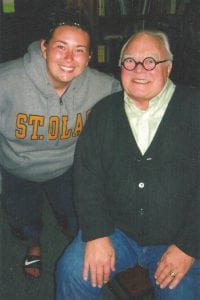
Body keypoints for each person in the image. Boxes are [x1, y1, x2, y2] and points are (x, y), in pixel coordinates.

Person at [56, 30, 200, 299]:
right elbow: (87, 178)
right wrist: (96, 234)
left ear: (168, 68)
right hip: (116, 230)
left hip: (179, 235)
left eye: (150, 61)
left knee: (183, 294)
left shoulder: (195, 107)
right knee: (72, 272)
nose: (139, 69)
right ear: (121, 68)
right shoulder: (103, 112)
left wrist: (189, 246)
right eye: (130, 61)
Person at [0, 7, 121, 279]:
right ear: (44, 48)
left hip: (67, 167)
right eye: (60, 47)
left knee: (73, 216)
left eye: (79, 50)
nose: (69, 58)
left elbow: (134, 93)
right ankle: (33, 246)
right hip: (17, 169)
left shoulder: (102, 86)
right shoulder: (7, 81)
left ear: (89, 57)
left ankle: (73, 239)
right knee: (24, 218)